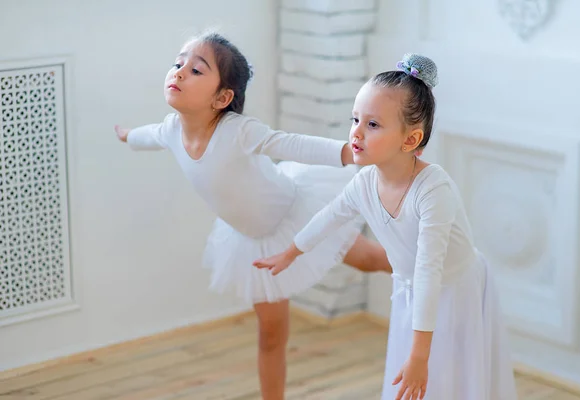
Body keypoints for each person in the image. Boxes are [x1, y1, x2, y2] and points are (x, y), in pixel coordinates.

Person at [114, 30, 392, 400]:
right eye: (178, 63)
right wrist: (128, 135)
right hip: (254, 242)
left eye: (196, 70)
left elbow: (291, 144)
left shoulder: (237, 131)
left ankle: (426, 268)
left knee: (370, 259)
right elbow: (148, 135)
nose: (179, 72)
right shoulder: (170, 130)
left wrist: (349, 152)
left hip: (297, 212)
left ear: (222, 98)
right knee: (272, 335)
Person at [254, 54, 518, 400]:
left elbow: (428, 270)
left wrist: (420, 356)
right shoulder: (364, 183)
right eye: (355, 119)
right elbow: (328, 218)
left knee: (448, 376)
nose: (356, 133)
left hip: (455, 289)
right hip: (412, 291)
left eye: (373, 125)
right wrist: (290, 253)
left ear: (410, 141)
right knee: (407, 379)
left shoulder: (433, 190)